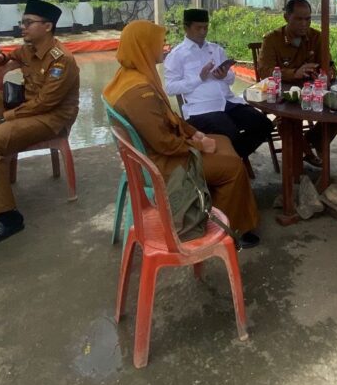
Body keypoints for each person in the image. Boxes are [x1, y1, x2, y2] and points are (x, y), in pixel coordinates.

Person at [103, 20, 260, 247]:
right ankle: (232, 230)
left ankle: (212, 206)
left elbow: (169, 117)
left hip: (159, 154)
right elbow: (164, 143)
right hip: (161, 164)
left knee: (224, 141)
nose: (164, 46)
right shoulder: (138, 93)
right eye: (159, 42)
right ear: (144, 46)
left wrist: (194, 132)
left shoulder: (131, 77)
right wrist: (199, 146)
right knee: (233, 167)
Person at [0, 0, 80, 250]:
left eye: (28, 22)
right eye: (22, 22)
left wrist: (4, 118)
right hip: (25, 108)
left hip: (50, 118)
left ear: (47, 26)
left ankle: (9, 218)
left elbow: (45, 103)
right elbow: (7, 59)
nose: (22, 27)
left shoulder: (62, 60)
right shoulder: (28, 48)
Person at [164, 8, 272, 161]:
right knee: (231, 134)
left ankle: (232, 159)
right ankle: (234, 162)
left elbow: (231, 79)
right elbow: (170, 88)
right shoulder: (177, 55)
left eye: (206, 27)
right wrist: (199, 78)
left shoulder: (216, 49)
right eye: (198, 28)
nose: (203, 32)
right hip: (201, 109)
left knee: (264, 124)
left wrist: (224, 75)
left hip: (228, 102)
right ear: (186, 28)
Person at [258, 0, 337, 166]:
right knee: (287, 120)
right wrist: (294, 73)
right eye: (299, 19)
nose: (304, 24)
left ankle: (314, 139)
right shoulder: (272, 39)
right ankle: (303, 157)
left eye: (308, 19)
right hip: (284, 94)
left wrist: (327, 74)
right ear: (287, 17)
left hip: (312, 91)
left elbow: (329, 66)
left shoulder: (316, 37)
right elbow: (264, 71)